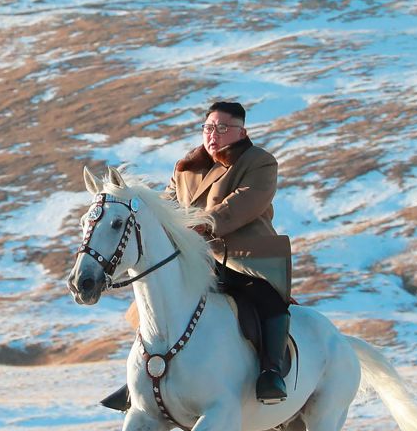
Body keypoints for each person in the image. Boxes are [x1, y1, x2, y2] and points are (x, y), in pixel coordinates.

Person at [101, 100, 292, 411]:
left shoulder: (259, 162)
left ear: (241, 132)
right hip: (195, 257)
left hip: (242, 256)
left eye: (221, 128)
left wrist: (203, 224)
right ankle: (143, 377)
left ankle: (271, 373)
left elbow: (243, 204)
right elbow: (167, 206)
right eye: (207, 128)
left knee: (267, 301)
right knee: (152, 304)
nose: (212, 134)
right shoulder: (186, 167)